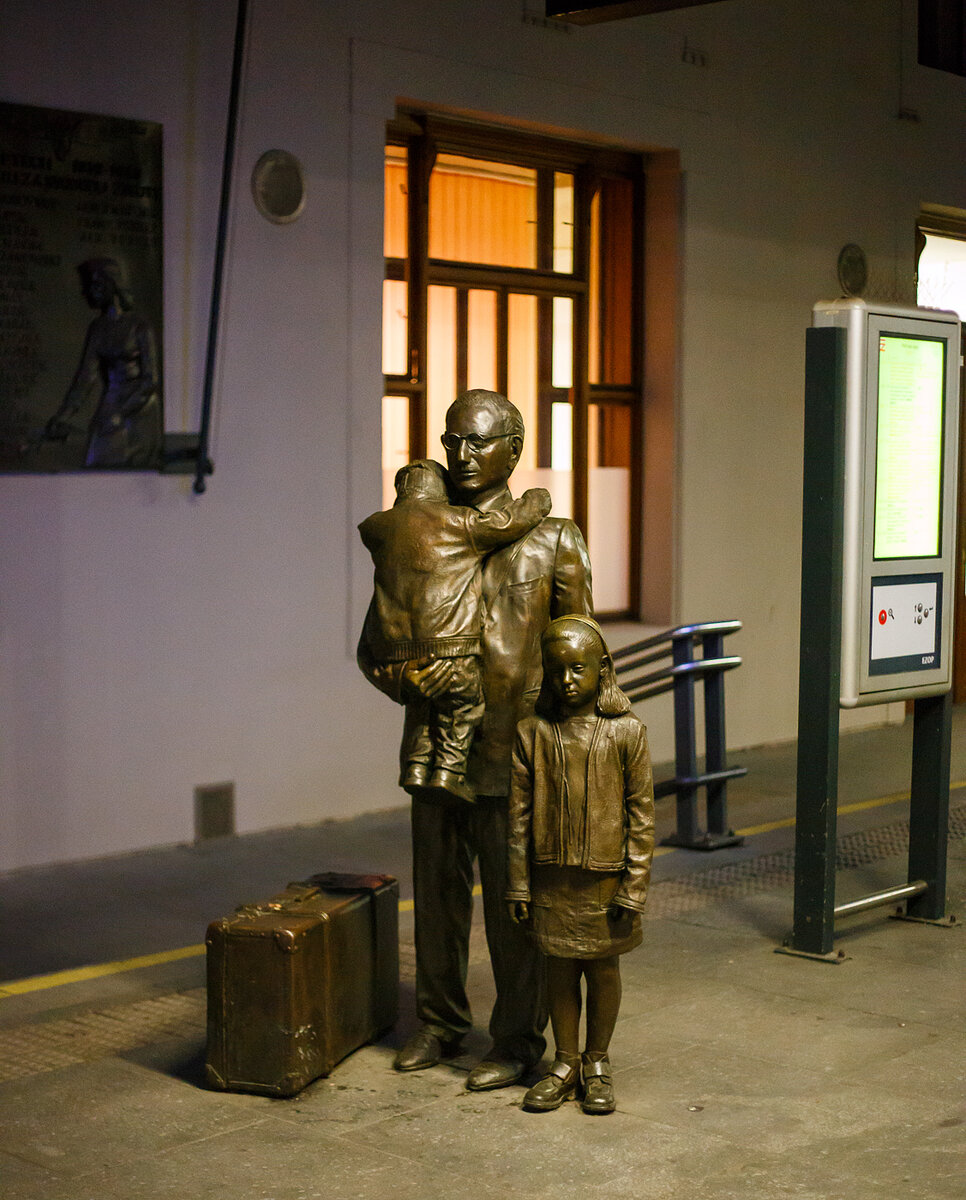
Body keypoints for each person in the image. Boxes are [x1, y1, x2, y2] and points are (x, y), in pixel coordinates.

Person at [357, 388, 593, 1090]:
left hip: (515, 750)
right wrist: (406, 682)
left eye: (478, 441)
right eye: (451, 440)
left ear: (513, 451)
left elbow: (580, 647)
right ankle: (438, 1021)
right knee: (436, 893)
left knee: (514, 903)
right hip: (436, 742)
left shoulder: (553, 539)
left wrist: (572, 749)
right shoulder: (418, 530)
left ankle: (517, 1038)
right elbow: (378, 642)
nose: (460, 454)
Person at [506, 615, 654, 1115]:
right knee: (559, 969)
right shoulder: (532, 733)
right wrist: (519, 885)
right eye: (555, 671)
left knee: (603, 967)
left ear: (603, 668)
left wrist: (633, 887)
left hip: (606, 880)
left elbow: (642, 818)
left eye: (577, 669)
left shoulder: (627, 733)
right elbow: (518, 820)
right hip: (551, 878)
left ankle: (597, 1062)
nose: (565, 680)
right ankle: (565, 1061)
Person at [358, 458, 551, 801]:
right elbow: (506, 523)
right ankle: (448, 771)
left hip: (406, 650)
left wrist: (405, 674)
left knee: (424, 710)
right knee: (463, 707)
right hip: (453, 647)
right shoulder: (457, 523)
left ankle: (418, 767)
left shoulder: (382, 532)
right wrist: (535, 503)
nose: (464, 455)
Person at [46, 257, 161, 468]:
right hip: (112, 401)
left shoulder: (139, 325)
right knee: (97, 462)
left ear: (111, 285)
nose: (88, 293)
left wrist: (121, 412)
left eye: (94, 286)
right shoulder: (97, 328)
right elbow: (84, 379)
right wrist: (62, 417)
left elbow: (150, 380)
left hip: (139, 407)